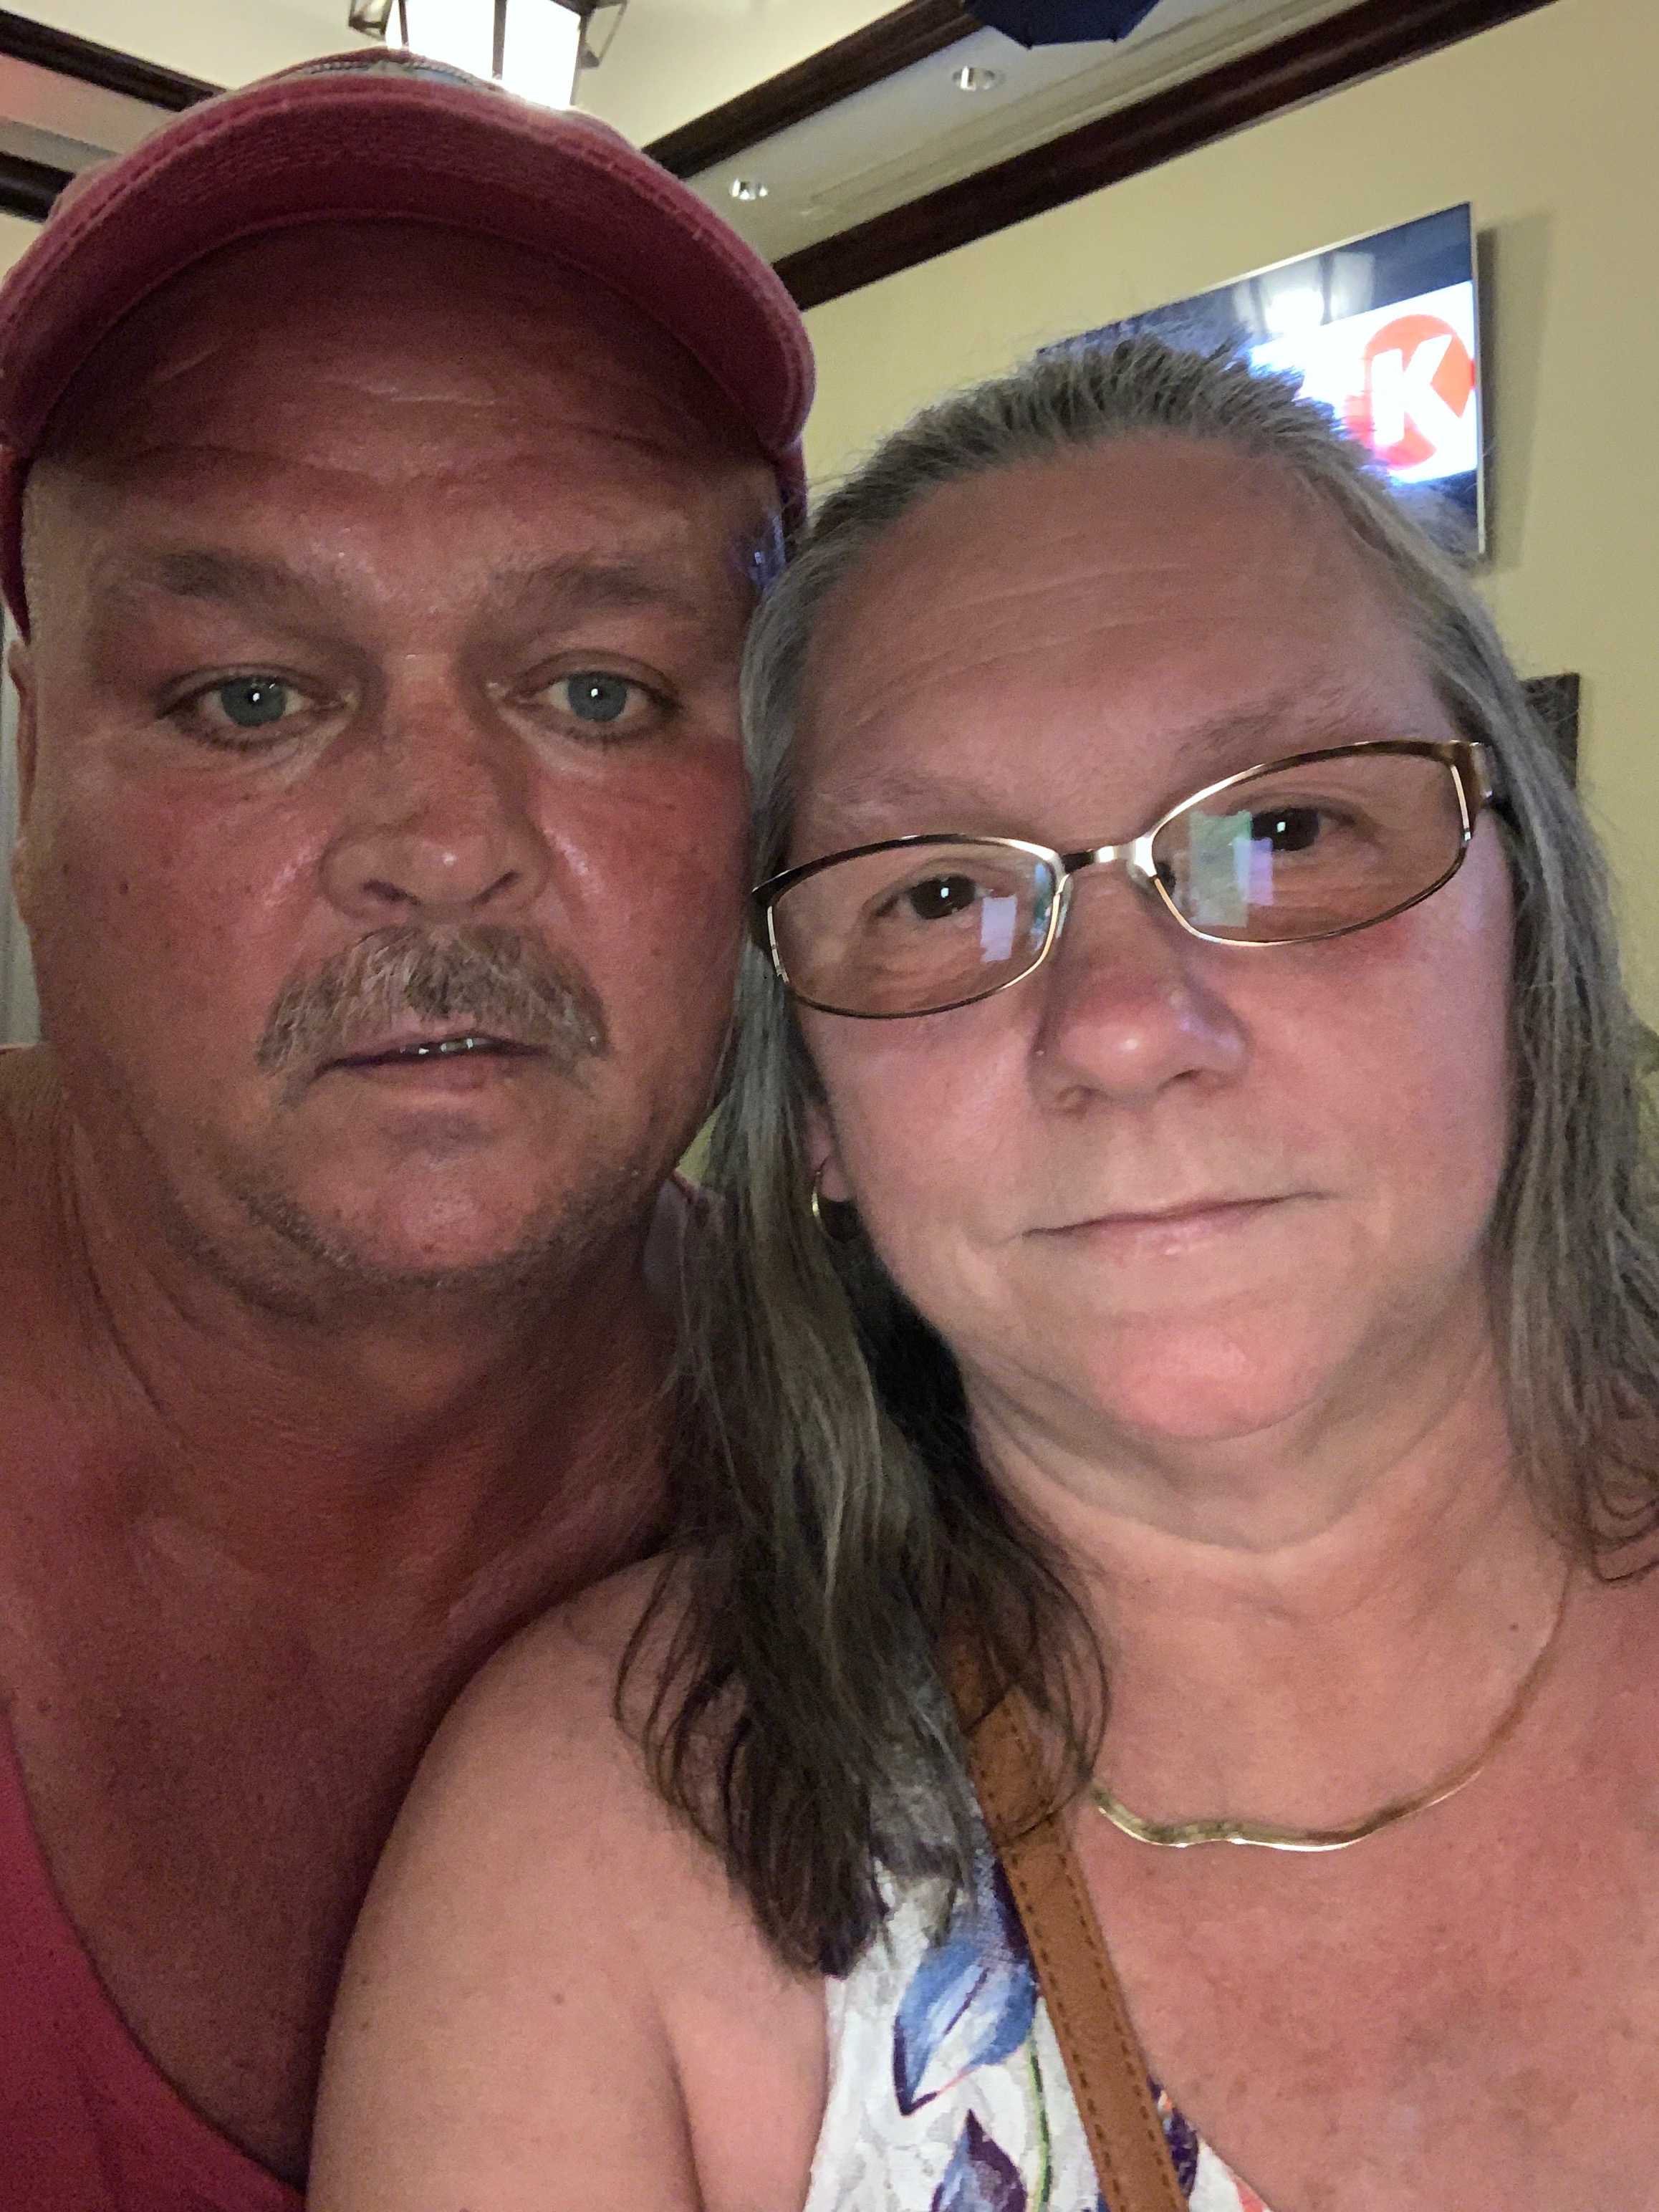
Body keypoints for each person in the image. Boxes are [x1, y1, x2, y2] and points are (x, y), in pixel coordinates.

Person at [313, 335, 1659, 2212]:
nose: (1121, 1025)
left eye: (1285, 828)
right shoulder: (613, 1841)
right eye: (935, 894)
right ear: (814, 1115)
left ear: (1523, 929)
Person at [0, 49, 811, 2212]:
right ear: (33, 782)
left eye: (599, 690)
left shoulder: (971, 1488)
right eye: (250, 696)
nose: (444, 846)